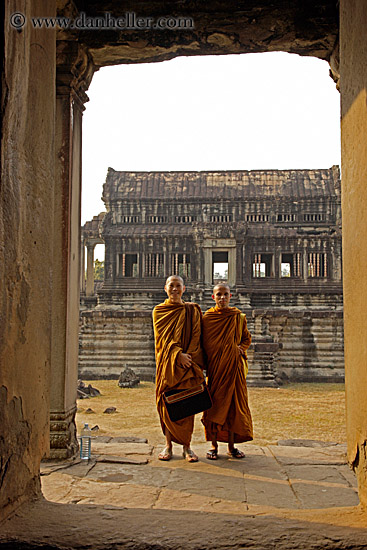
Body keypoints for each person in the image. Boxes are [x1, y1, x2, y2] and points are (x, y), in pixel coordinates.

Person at [153, 275, 205, 462]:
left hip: (187, 365)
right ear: (165, 288)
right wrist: (177, 355)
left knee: (186, 406)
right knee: (166, 405)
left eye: (178, 286)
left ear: (184, 289)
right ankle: (168, 445)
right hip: (168, 364)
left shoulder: (192, 310)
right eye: (171, 286)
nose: (174, 289)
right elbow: (162, 340)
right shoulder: (159, 311)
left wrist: (188, 357)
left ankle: (187, 447)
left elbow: (197, 335)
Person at [201, 283, 253, 459]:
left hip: (233, 369)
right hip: (216, 370)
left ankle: (232, 446)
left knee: (233, 409)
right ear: (213, 297)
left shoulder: (238, 317)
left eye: (225, 294)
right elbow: (201, 343)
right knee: (214, 407)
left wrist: (240, 348)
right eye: (219, 294)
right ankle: (213, 446)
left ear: (230, 296)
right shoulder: (207, 319)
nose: (222, 298)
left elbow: (246, 338)